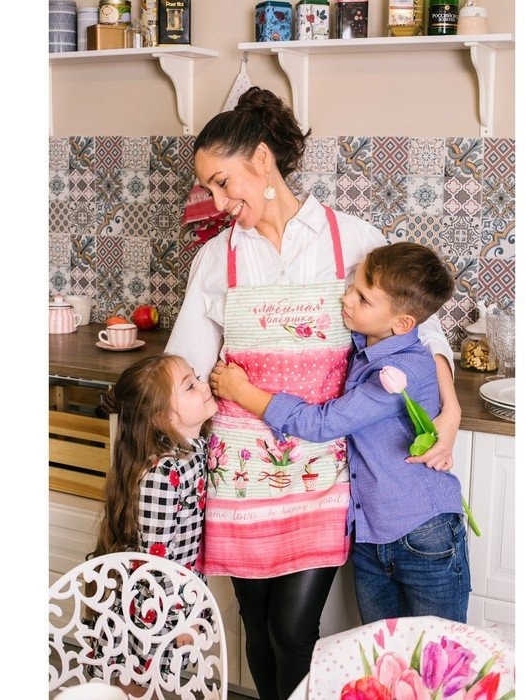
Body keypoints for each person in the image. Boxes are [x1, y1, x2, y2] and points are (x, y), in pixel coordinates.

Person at [164, 86, 462, 700]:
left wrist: (451, 409)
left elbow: (420, 332)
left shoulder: (351, 239)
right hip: (240, 473)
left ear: (262, 160)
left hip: (323, 467)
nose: (217, 202)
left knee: (293, 629)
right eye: (209, 189)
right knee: (256, 625)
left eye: (222, 183)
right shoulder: (216, 258)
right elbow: (184, 364)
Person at [210, 242, 470, 625]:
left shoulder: (400, 372)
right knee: (380, 652)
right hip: (371, 536)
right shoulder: (367, 342)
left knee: (439, 653)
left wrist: (243, 393)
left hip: (424, 534)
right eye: (352, 286)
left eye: (363, 298)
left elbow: (323, 423)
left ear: (402, 324)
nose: (346, 299)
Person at [88, 353, 218, 694]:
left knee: (157, 685)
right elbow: (154, 563)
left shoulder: (194, 448)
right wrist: (179, 620)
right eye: (190, 386)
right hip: (151, 606)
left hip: (177, 595)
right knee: (138, 687)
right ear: (164, 418)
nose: (204, 385)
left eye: (196, 377)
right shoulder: (162, 475)